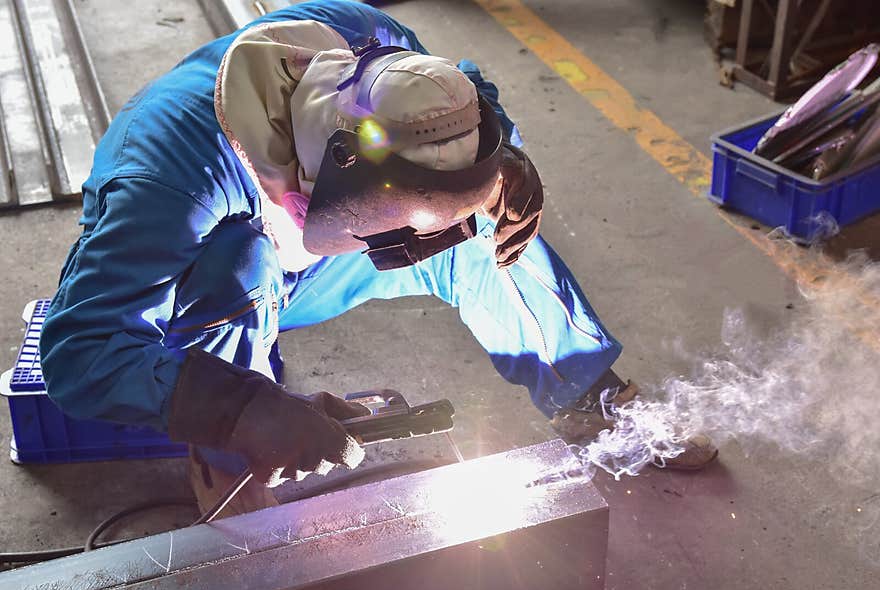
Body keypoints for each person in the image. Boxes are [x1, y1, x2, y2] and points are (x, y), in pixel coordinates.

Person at [39, 0, 716, 515]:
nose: (423, 248)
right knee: (238, 266)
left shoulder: (377, 46)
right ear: (337, 176)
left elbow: (468, 93)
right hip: (223, 278)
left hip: (330, 253)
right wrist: (241, 408)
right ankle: (233, 462)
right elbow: (82, 350)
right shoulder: (170, 177)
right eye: (402, 225)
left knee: (482, 233)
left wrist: (504, 157)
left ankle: (584, 392)